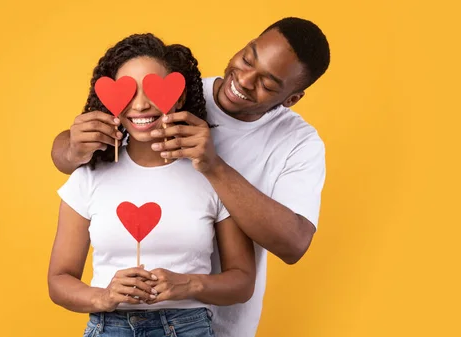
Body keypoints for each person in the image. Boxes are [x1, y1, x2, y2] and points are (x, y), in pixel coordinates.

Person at [51, 17, 331, 337]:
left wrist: (214, 166)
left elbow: (293, 244)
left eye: (267, 84)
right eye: (247, 58)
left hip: (217, 321)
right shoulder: (174, 87)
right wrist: (73, 148)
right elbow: (70, 157)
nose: (243, 79)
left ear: (291, 99)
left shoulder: (298, 143)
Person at [47, 33, 256, 337]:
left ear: (179, 98)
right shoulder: (89, 175)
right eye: (128, 93)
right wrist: (103, 296)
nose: (141, 105)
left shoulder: (213, 175)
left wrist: (188, 284)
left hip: (189, 328)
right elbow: (59, 280)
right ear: (110, 101)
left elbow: (242, 282)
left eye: (153, 91)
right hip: (109, 327)